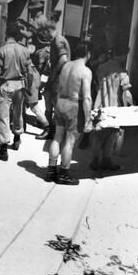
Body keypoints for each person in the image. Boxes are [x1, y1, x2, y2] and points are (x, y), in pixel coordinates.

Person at [46, 41, 93, 185]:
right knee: (70, 142)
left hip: (61, 102)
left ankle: (51, 171)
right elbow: (86, 97)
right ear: (88, 54)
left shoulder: (66, 66)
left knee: (57, 138)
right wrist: (88, 120)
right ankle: (64, 174)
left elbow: (60, 87)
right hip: (73, 105)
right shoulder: (86, 71)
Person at [0, 23, 31, 161]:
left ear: (7, 34)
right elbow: (29, 72)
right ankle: (17, 139)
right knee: (18, 113)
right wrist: (28, 87)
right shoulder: (25, 51)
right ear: (19, 35)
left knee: (3, 116)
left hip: (5, 85)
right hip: (20, 85)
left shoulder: (2, 50)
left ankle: (3, 150)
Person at [90, 43, 132, 172]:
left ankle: (95, 161)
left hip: (100, 105)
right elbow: (127, 93)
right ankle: (106, 160)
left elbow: (97, 83)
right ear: (123, 56)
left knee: (98, 136)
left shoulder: (101, 67)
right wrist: (131, 106)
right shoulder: (122, 72)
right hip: (114, 108)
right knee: (111, 136)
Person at [18, 0, 51, 139]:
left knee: (33, 106)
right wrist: (24, 23)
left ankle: (47, 126)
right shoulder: (42, 18)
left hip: (42, 51)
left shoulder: (37, 21)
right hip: (45, 50)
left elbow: (29, 34)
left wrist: (17, 29)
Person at [41, 20, 71, 140]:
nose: (44, 36)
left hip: (58, 77)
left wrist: (53, 72)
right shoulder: (57, 39)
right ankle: (49, 128)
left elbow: (63, 59)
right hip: (57, 76)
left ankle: (50, 131)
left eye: (44, 33)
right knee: (47, 96)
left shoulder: (57, 40)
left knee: (54, 102)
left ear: (48, 31)